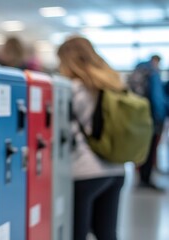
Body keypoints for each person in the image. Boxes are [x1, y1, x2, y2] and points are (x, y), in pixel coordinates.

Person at [57, 37, 125, 240]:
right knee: (107, 233)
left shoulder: (73, 88)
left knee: (77, 233)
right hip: (116, 168)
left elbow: (61, 130)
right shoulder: (113, 83)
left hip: (85, 171)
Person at [129, 55, 167, 190]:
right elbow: (157, 98)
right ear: (156, 61)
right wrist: (160, 117)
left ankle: (141, 176)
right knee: (151, 150)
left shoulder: (138, 71)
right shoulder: (152, 72)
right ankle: (146, 179)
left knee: (142, 148)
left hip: (138, 118)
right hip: (152, 118)